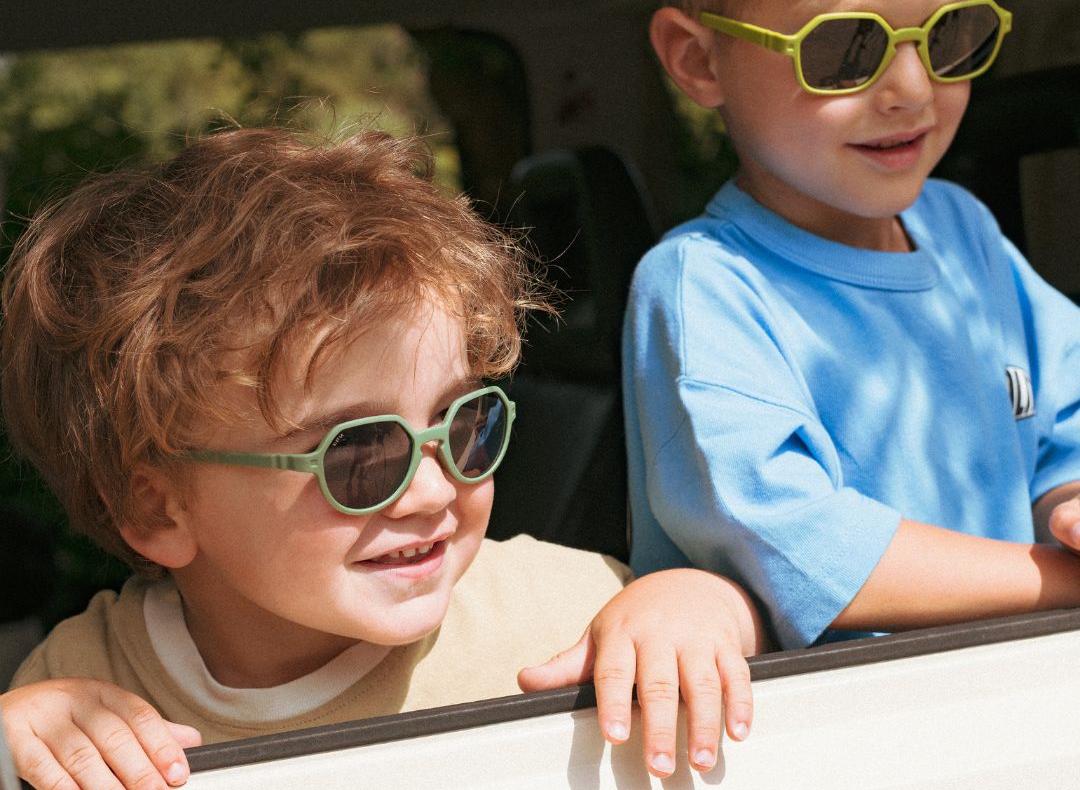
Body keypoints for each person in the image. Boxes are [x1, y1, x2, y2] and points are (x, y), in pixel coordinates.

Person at [0, 127, 764, 790]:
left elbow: (726, 657)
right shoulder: (85, 689)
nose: (433, 491)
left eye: (464, 425)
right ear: (156, 509)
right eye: (359, 454)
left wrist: (705, 602)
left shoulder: (570, 613)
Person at [625, 0, 1080, 652]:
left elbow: (1064, 419)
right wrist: (1062, 583)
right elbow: (803, 547)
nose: (911, 88)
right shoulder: (706, 288)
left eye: (951, 35)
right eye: (846, 50)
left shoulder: (964, 231)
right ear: (699, 62)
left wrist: (1068, 502)